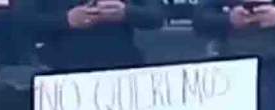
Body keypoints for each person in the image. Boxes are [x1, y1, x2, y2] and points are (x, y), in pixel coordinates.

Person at [13, 0, 164, 73]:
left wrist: (127, 12)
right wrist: (65, 20)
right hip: (62, 71)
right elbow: (21, 21)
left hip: (120, 69)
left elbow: (156, 16)